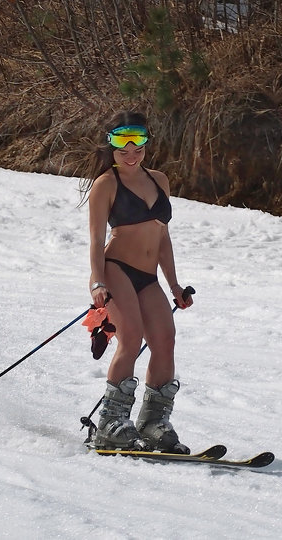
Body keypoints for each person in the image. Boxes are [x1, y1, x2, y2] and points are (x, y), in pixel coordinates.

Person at [81, 111, 193, 453]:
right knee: (130, 337)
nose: (131, 153)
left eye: (138, 144)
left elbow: (164, 239)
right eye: (121, 145)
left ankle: (154, 422)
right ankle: (111, 423)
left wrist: (174, 285)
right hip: (116, 268)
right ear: (111, 145)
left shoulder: (160, 179)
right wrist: (97, 282)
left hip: (148, 275)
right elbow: (96, 237)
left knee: (165, 339)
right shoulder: (107, 183)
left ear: (146, 142)